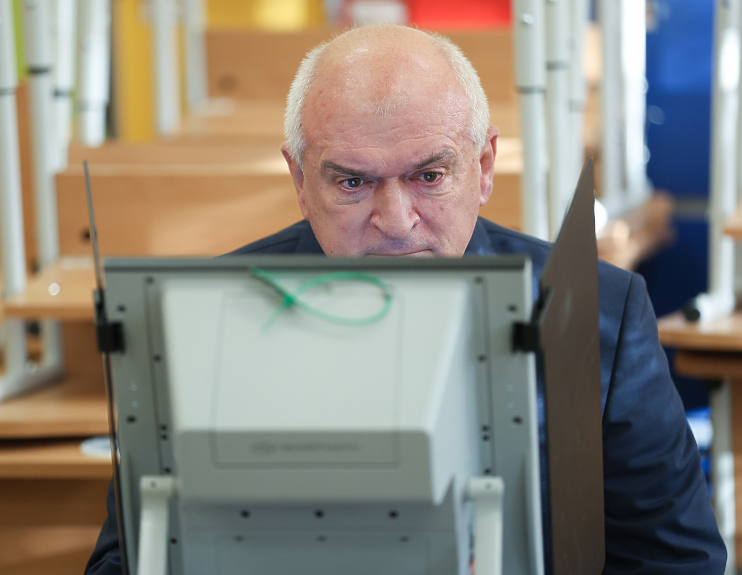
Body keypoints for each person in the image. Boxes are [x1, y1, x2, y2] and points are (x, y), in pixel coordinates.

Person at [86, 25, 725, 574]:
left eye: (428, 176)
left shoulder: (597, 315)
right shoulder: (207, 319)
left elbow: (676, 561)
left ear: (482, 168)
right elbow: (127, 561)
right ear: (300, 181)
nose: (395, 221)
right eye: (353, 182)